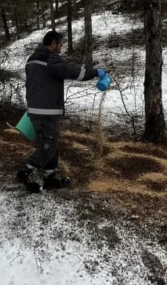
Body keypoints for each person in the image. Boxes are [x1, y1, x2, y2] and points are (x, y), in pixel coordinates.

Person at [17, 31, 106, 193]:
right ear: (53, 44)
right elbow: (73, 71)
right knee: (48, 145)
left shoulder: (33, 58)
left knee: (51, 141)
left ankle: (51, 175)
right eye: (60, 45)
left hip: (37, 109)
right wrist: (96, 73)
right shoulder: (50, 58)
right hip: (45, 111)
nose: (61, 48)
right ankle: (28, 170)